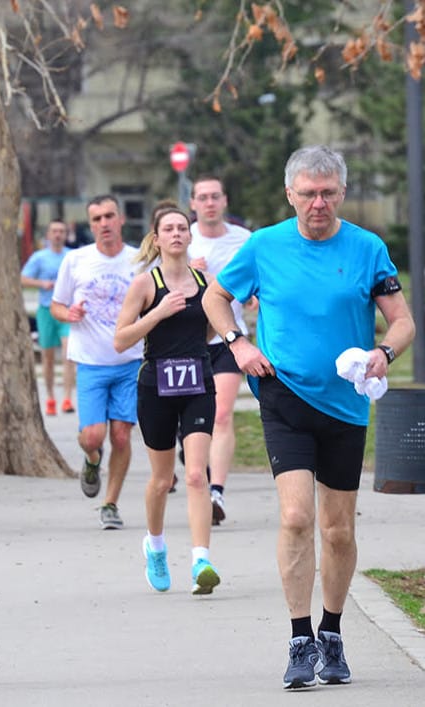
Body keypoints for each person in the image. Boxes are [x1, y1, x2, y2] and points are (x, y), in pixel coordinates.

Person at [202, 145, 414, 690]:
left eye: (327, 193)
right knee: (296, 517)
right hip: (284, 396)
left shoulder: (367, 248)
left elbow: (403, 322)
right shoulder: (264, 246)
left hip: (345, 402)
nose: (317, 203)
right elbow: (216, 297)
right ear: (289, 193)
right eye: (307, 193)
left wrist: (383, 353)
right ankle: (300, 639)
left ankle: (333, 632)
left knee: (338, 528)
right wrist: (238, 345)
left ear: (340, 193)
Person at [114, 207, 220, 596]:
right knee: (162, 479)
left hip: (197, 384)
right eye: (168, 229)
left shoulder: (207, 282)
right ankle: (155, 546)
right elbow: (121, 339)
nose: (176, 233)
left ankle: (200, 560)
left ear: (190, 237)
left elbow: (212, 329)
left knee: (195, 474)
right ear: (157, 239)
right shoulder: (145, 284)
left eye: (182, 228)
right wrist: (158, 313)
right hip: (155, 386)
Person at [51, 194, 142, 530]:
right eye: (97, 219)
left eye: (109, 216)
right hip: (89, 362)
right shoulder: (76, 261)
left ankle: (110, 503)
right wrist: (69, 313)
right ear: (90, 226)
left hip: (129, 361)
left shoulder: (139, 260)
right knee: (92, 437)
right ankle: (92, 461)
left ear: (120, 220)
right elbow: (57, 305)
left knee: (120, 436)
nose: (104, 224)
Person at [188, 175, 253, 524]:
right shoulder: (182, 239)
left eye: (215, 196)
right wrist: (187, 271)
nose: (210, 203)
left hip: (230, 337)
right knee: (189, 419)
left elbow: (256, 282)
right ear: (193, 203)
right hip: (189, 341)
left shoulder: (245, 241)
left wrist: (253, 295)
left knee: (222, 414)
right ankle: (192, 466)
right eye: (203, 197)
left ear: (225, 201)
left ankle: (217, 492)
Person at [21, 220, 76, 415]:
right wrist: (41, 283)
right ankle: (51, 397)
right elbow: (23, 278)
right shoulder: (39, 257)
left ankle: (68, 398)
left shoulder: (72, 256)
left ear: (66, 234)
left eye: (62, 231)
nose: (58, 234)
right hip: (46, 309)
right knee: (48, 356)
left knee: (69, 353)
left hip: (67, 310)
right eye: (54, 231)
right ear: (48, 234)